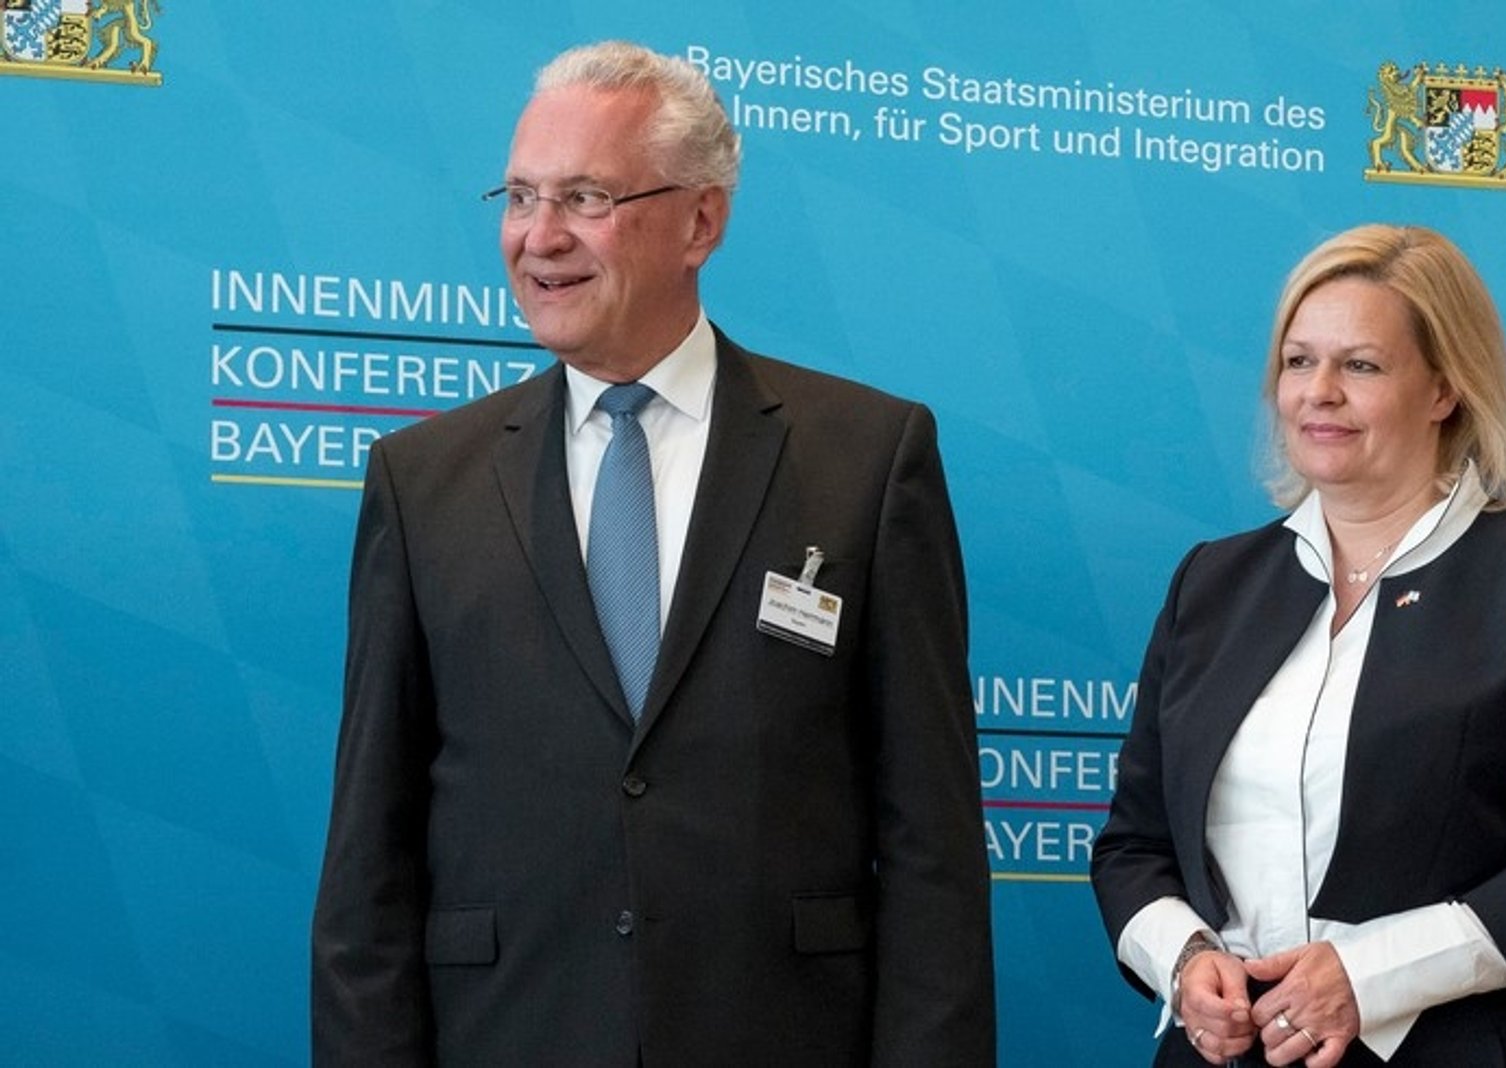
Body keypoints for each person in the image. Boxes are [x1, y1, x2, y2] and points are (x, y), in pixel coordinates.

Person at [311, 41, 995, 1066]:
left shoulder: (866, 458)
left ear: (701, 220)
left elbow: (930, 843)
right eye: (519, 197)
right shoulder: (422, 483)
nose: (538, 238)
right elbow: (370, 852)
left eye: (585, 197)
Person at [1091, 224, 1506, 1067]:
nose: (1317, 392)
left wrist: (1371, 975)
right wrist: (1183, 962)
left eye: (1360, 365)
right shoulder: (1211, 582)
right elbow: (1133, 844)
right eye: (1298, 362)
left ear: (1444, 389)